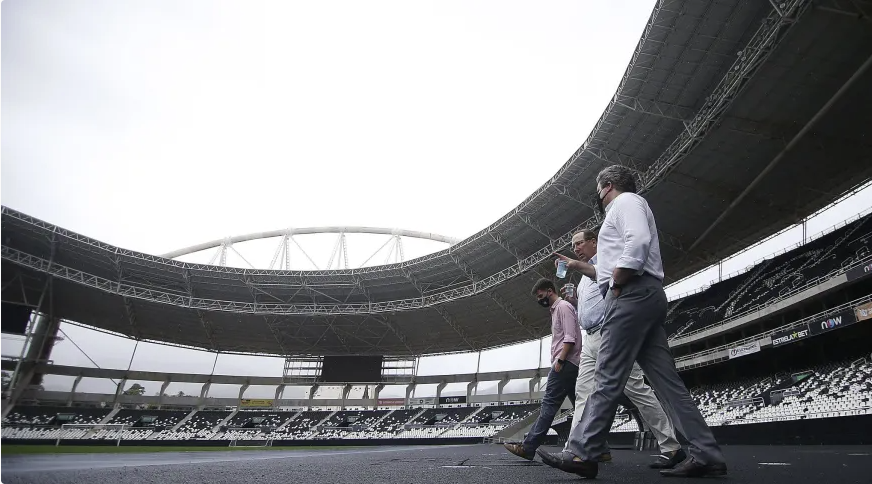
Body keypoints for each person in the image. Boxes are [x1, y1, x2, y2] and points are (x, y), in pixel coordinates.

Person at [538, 165, 727, 478]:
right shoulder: (628, 207)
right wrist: (582, 267)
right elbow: (612, 264)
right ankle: (705, 452)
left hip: (630, 294)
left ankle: (583, 454)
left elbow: (636, 243)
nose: (598, 197)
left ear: (608, 186)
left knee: (607, 376)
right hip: (645, 294)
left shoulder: (624, 203)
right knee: (668, 384)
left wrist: (618, 282)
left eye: (599, 191)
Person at [555, 228, 685, 470]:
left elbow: (612, 286)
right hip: (590, 337)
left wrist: (575, 265)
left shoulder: (606, 260)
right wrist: (574, 301)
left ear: (594, 242)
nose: (575, 249)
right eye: (573, 246)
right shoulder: (583, 276)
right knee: (583, 394)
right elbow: (592, 304)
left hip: (611, 333)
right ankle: (574, 450)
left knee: (636, 389)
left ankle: (672, 446)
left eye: (579, 243)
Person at [503, 278, 582, 460]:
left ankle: (528, 447)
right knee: (580, 406)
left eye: (540, 296)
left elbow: (569, 338)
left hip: (565, 363)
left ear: (549, 291)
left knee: (549, 406)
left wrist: (560, 361)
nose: (540, 300)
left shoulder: (562, 307)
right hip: (569, 363)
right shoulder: (556, 310)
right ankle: (601, 449)